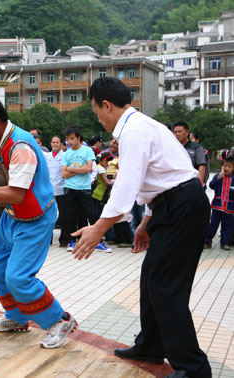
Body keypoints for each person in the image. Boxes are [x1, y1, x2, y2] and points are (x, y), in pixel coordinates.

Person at [72, 77, 212, 378]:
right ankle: (150, 345)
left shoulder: (134, 131)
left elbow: (127, 184)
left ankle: (193, 367)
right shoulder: (143, 126)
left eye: (97, 111)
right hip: (172, 206)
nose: (98, 118)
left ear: (106, 105)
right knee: (152, 280)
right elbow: (156, 179)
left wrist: (99, 227)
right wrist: (146, 222)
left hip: (183, 207)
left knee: (166, 288)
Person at [0, 94, 76, 350]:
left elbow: (16, 193)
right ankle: (17, 317)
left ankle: (60, 320)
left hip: (35, 218)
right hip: (13, 216)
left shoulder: (20, 146)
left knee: (19, 277)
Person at [62, 125, 111, 253]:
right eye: (67, 139)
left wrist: (71, 169)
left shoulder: (87, 151)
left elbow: (89, 169)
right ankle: (72, 241)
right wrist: (80, 170)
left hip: (84, 188)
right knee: (71, 216)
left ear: (78, 138)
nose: (70, 141)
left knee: (91, 215)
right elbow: (63, 174)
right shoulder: (66, 153)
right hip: (69, 188)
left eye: (72, 138)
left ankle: (98, 241)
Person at [204, 157, 234, 250]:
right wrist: (218, 178)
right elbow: (211, 186)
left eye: (229, 167)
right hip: (217, 206)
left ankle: (224, 243)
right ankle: (207, 241)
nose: (227, 168)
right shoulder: (218, 176)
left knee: (227, 227)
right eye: (225, 166)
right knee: (213, 225)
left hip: (229, 207)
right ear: (222, 167)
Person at [45, 135, 68, 247]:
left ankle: (63, 240)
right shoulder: (47, 156)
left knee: (63, 215)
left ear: (61, 144)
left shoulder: (65, 156)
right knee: (49, 215)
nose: (55, 144)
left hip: (61, 189)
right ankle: (48, 239)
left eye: (57, 142)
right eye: (53, 142)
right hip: (49, 190)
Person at [173, 122, 207, 187]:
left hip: (191, 182)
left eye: (179, 131)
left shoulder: (196, 147)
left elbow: (202, 166)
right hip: (175, 183)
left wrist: (199, 184)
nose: (177, 134)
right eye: (175, 132)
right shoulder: (172, 147)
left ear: (187, 132)